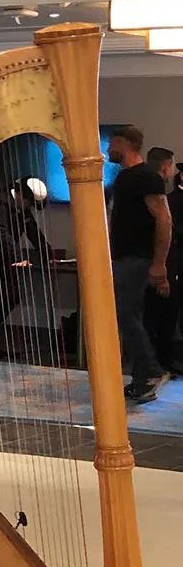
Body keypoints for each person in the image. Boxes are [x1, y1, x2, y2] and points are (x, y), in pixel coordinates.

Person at [108, 125, 171, 404]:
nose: (108, 149)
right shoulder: (125, 177)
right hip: (124, 257)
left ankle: (149, 373)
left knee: (128, 316)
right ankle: (141, 376)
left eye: (112, 143)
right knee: (127, 316)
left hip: (137, 258)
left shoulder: (146, 177)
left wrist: (159, 264)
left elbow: (164, 220)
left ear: (126, 143)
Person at [0, 175, 53, 359]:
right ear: (21, 195)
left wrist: (48, 254)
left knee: (12, 295)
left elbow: (33, 231)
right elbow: (1, 233)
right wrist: (18, 257)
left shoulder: (21, 209)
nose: (29, 207)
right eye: (29, 203)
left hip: (0, 260)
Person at [143, 147, 183, 376]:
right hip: (166, 262)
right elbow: (166, 234)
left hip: (171, 262)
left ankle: (166, 358)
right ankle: (157, 362)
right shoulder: (169, 201)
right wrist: (163, 268)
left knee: (170, 313)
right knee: (158, 313)